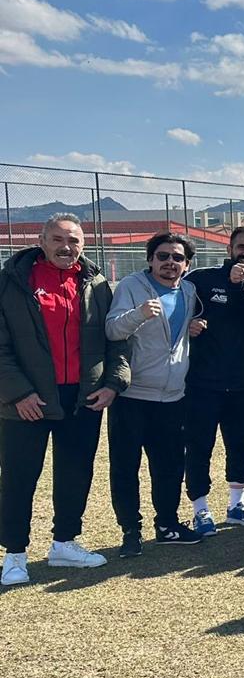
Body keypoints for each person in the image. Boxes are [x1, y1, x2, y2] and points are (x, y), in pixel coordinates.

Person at [0, 213, 128, 586]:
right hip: (27, 398)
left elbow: (115, 340)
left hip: (82, 398)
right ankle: (15, 555)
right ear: (41, 240)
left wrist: (112, 383)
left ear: (83, 245)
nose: (65, 247)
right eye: (57, 239)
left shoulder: (97, 283)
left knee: (75, 473)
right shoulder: (11, 282)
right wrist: (18, 392)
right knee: (20, 478)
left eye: (73, 240)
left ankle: (64, 543)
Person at [104, 232, 204, 553]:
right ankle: (130, 531)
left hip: (173, 398)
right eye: (163, 256)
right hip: (132, 397)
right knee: (125, 466)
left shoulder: (189, 291)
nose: (170, 263)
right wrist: (138, 314)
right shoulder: (131, 287)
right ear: (150, 259)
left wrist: (194, 329)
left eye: (177, 258)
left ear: (186, 264)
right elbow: (111, 329)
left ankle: (167, 525)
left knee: (170, 465)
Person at [182, 225, 244, 533]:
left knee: (242, 445)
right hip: (203, 383)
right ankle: (200, 509)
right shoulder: (201, 280)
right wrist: (189, 326)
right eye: (241, 246)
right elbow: (174, 314)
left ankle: (236, 505)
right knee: (198, 446)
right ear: (229, 249)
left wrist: (240, 287)